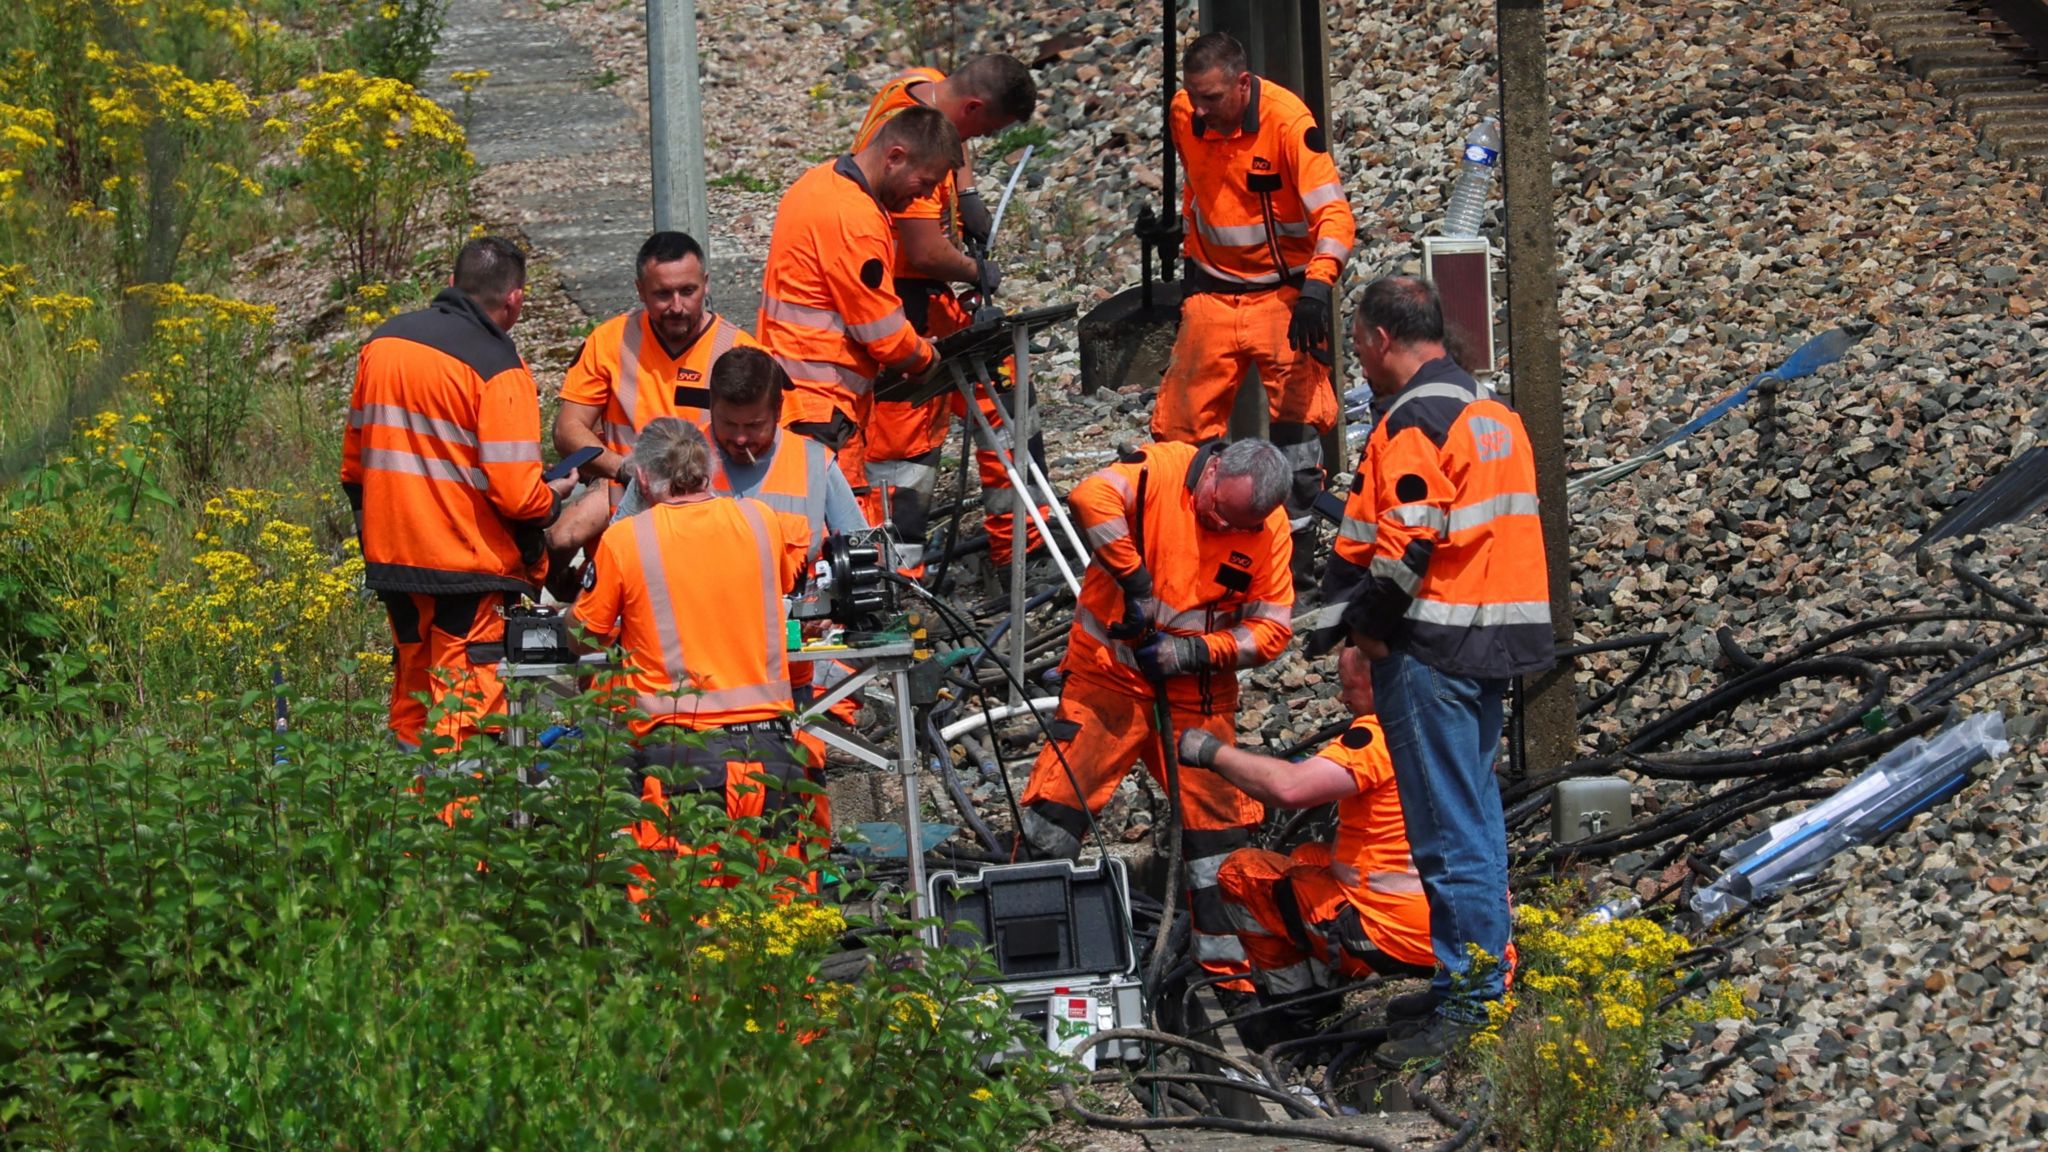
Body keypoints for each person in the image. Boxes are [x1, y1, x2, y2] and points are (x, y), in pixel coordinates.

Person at [1319, 275, 1555, 1064]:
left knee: (1448, 836)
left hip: (1433, 649)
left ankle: (1475, 1000)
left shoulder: (1417, 415)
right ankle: (1471, 982)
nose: (1357, 360)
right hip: (1491, 642)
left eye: (1356, 343)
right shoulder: (1490, 412)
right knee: (1474, 821)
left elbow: (1409, 540)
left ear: (1381, 338)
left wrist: (1369, 629)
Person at [1017, 439, 1295, 989]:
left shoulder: (1268, 528)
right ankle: (1028, 959)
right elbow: (1089, 496)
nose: (1223, 526)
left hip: (1196, 697)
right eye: (1219, 510)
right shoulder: (1158, 473)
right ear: (1212, 469)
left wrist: (1193, 652)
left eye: (1238, 523)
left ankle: (1231, 979)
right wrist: (1135, 581)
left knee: (1221, 840)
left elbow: (1273, 630)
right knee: (1055, 814)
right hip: (1109, 681)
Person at [568, 417, 823, 889]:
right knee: (778, 925)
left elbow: (583, 637)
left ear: (642, 479)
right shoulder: (761, 520)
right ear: (708, 473)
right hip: (772, 755)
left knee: (682, 931)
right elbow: (804, 543)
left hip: (680, 762)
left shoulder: (626, 540)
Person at [341, 236, 573, 751]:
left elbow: (355, 466)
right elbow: (517, 497)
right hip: (466, 573)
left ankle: (410, 815)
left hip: (395, 565)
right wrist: (554, 496)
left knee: (414, 703)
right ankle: (459, 825)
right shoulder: (499, 368)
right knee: (465, 714)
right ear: (515, 300)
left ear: (450, 285)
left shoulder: (383, 344)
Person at [1152, 32, 1356, 587]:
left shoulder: (1288, 125)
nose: (1201, 110)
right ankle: (1185, 549)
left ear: (1244, 84)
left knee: (1298, 428)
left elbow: (1335, 218)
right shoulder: (1184, 113)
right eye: (1194, 96)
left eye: (1213, 98)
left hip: (1279, 296)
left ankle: (1296, 567)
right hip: (1213, 294)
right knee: (1179, 432)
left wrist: (1317, 287)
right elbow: (1199, 185)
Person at [1176, 643, 1432, 1048]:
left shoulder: (1378, 737)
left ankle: (1297, 1018)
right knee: (1305, 859)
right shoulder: (1441, 726)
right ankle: (1324, 981)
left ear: (1382, 684)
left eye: (1350, 687)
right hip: (1448, 926)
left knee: (1243, 873)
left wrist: (1211, 753)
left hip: (1395, 939)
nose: (1343, 698)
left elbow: (1290, 790)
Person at [851, 55, 1047, 573]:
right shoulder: (913, 164)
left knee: (1005, 392)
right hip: (901, 303)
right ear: (973, 107)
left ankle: (1021, 547)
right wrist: (977, 270)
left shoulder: (920, 88)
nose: (974, 143)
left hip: (922, 297)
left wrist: (968, 191)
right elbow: (924, 251)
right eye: (984, 128)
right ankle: (896, 577)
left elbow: (950, 126)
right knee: (904, 446)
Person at [756, 104, 955, 525]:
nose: (922, 197)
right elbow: (881, 333)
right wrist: (927, 358)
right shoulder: (857, 219)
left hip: (788, 390)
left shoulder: (816, 182)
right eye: (925, 183)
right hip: (823, 404)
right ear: (895, 156)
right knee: (838, 541)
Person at [548, 231, 761, 581]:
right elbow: (567, 429)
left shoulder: (738, 350)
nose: (677, 306)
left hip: (710, 527)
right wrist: (622, 469)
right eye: (662, 294)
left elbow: (770, 440)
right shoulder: (610, 341)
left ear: (706, 285)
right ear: (640, 290)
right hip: (629, 527)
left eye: (688, 291)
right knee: (560, 541)